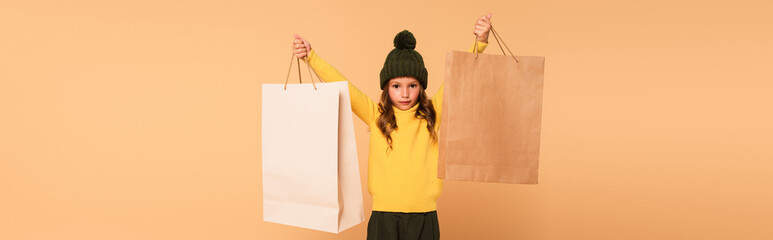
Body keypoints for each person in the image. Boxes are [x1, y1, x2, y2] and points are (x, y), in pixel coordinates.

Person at [292, 13, 492, 240]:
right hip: (384, 217)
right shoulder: (375, 115)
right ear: (386, 87)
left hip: (424, 216)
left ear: (421, 86)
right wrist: (311, 56)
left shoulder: (432, 115)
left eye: (412, 85)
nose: (405, 93)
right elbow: (342, 85)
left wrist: (479, 42)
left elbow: (459, 76)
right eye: (396, 86)